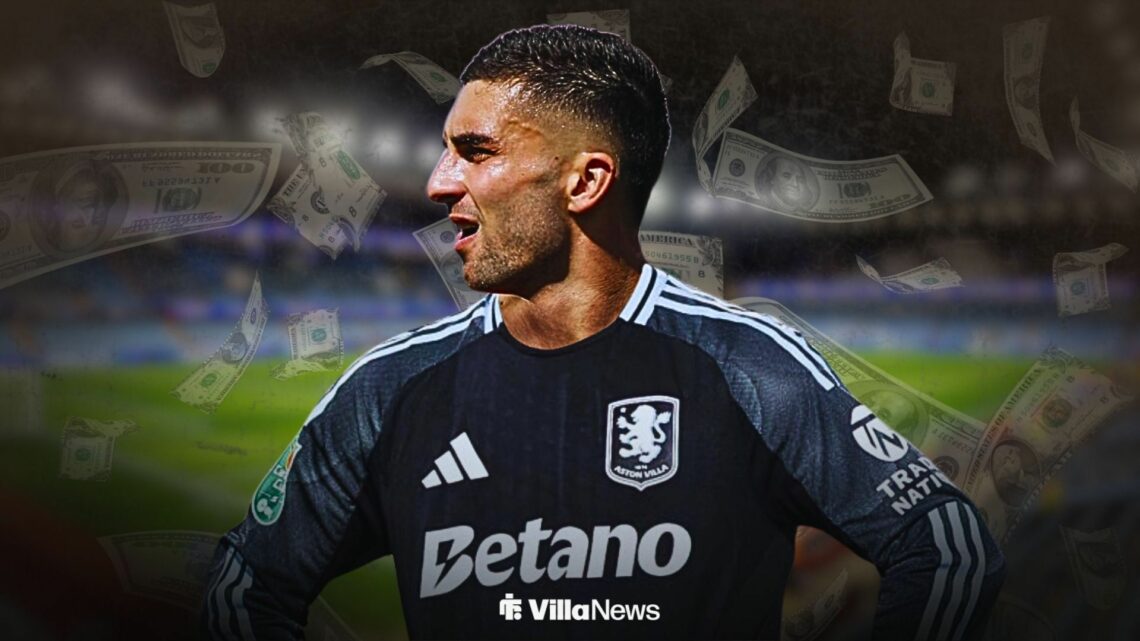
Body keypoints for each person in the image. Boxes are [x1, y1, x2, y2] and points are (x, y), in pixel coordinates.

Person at [202, 24, 1004, 640]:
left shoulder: (745, 367)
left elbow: (944, 543)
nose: (439, 181)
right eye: (447, 152)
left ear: (586, 180)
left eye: (475, 152)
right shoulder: (392, 390)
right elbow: (247, 579)